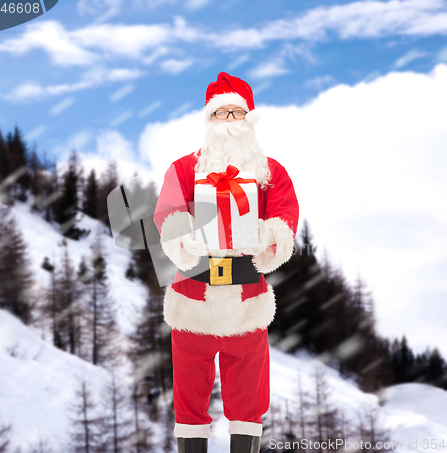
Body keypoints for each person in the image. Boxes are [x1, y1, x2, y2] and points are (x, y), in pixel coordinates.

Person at [153, 72, 299, 453]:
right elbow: (167, 214)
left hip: (246, 297)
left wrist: (267, 235)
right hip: (193, 297)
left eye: (237, 113)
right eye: (222, 114)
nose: (231, 122)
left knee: (248, 397)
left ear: (250, 119)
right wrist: (183, 233)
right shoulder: (184, 170)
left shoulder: (272, 173)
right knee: (188, 395)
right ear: (209, 120)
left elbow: (285, 217)